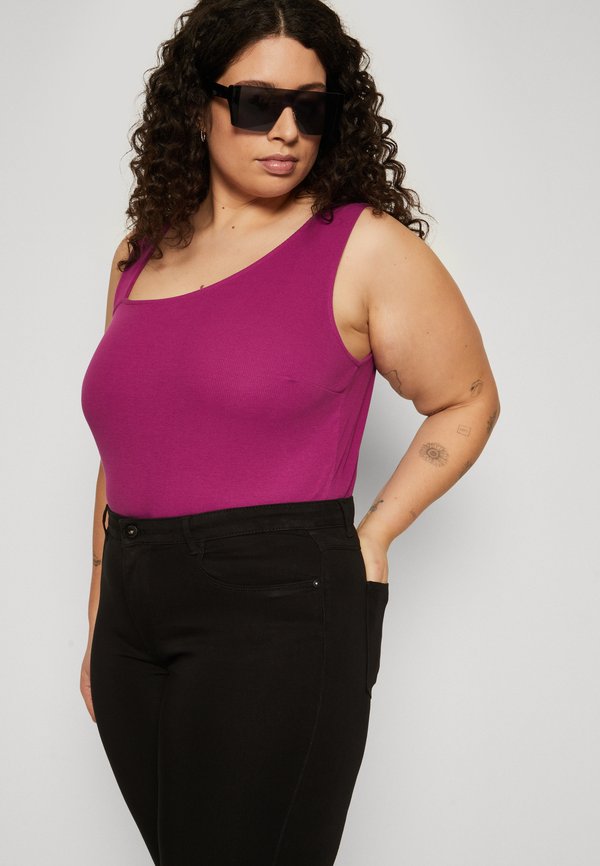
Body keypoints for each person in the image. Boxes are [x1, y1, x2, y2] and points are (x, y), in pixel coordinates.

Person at [80, 0, 501, 863]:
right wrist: (98, 613)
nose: (286, 131)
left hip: (277, 607)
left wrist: (373, 535)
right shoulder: (138, 255)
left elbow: (467, 399)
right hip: (132, 611)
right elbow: (123, 448)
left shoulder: (363, 247)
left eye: (311, 108)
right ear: (197, 105)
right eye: (256, 103)